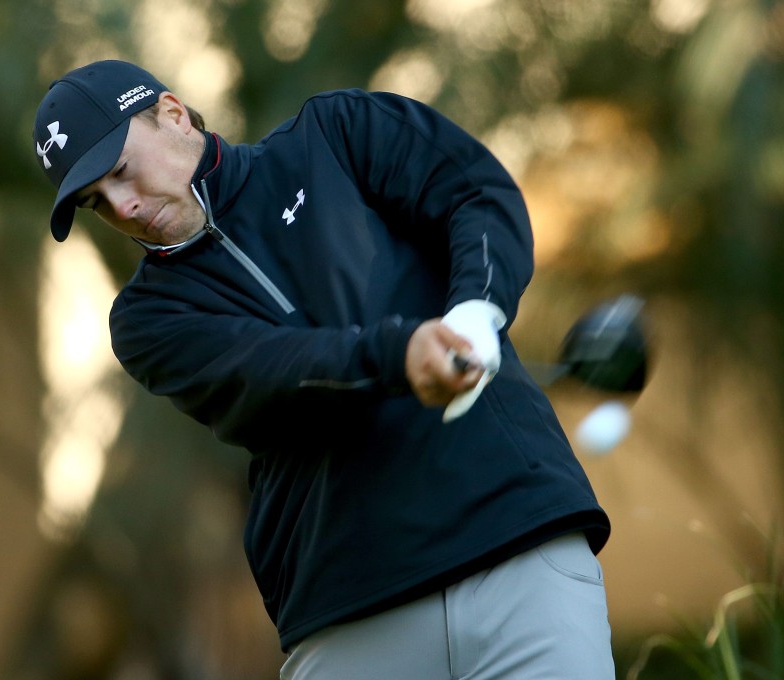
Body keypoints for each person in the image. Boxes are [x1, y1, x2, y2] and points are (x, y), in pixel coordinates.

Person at [33, 59, 614, 679]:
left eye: (120, 171)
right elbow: (273, 371)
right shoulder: (149, 317)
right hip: (352, 607)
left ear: (173, 114)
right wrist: (398, 354)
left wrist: (476, 313)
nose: (123, 206)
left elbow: (475, 193)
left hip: (514, 544)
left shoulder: (336, 135)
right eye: (97, 202)